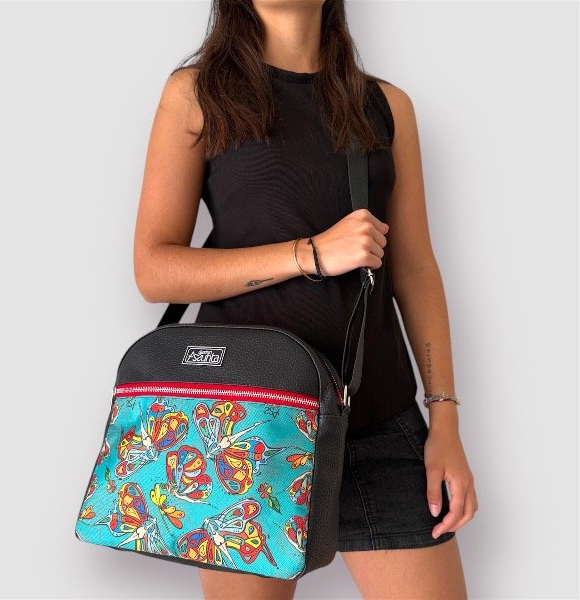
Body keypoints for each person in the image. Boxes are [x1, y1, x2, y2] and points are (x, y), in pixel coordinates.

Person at [133, 1, 478, 598]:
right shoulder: (197, 94)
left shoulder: (385, 106)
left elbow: (416, 269)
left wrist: (444, 420)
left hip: (377, 421)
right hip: (245, 428)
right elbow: (154, 270)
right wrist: (310, 253)